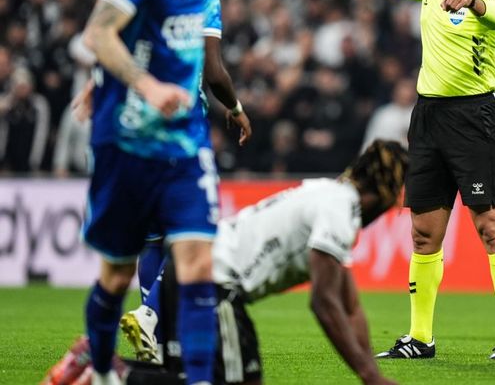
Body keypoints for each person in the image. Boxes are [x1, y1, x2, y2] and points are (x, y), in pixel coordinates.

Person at [46, 140, 405, 385]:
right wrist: (370, 377)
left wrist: (370, 371)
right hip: (215, 284)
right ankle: (102, 367)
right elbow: (324, 302)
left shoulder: (329, 195)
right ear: (385, 190)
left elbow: (350, 305)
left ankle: (98, 363)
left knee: (195, 378)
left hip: (189, 271)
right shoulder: (340, 208)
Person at [339, 0, 495, 360]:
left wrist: (470, 1)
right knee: (423, 234)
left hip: (473, 118)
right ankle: (420, 338)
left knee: (491, 227)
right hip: (427, 120)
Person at [79, 0, 252, 363]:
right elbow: (214, 70)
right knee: (196, 241)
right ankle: (153, 317)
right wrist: (234, 107)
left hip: (125, 132)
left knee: (147, 246)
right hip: (179, 131)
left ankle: (140, 333)